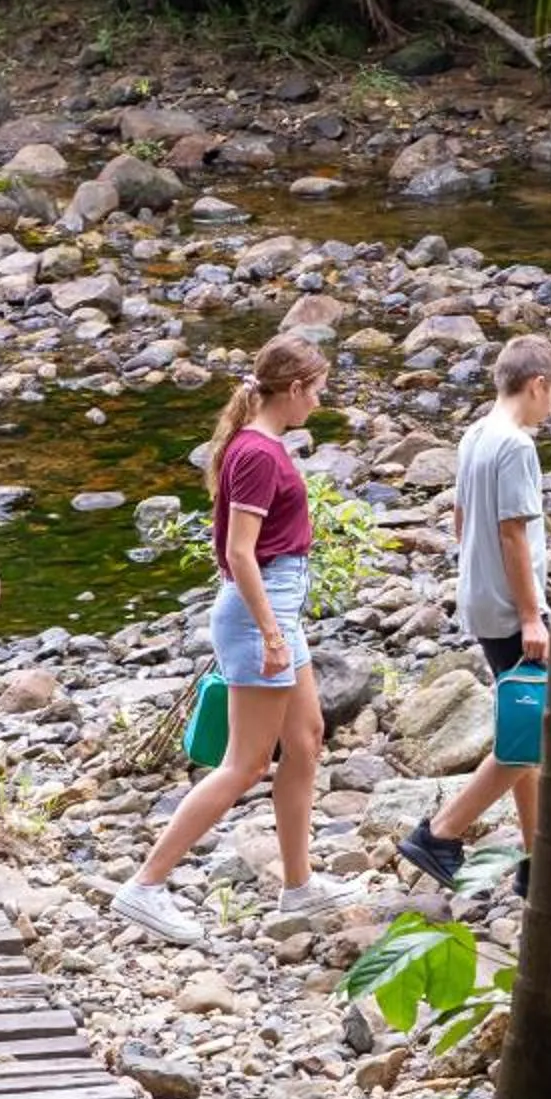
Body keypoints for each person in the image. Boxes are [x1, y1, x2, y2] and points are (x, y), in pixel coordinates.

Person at [113, 332, 358, 944]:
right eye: (318, 390)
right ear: (295, 388)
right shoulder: (257, 454)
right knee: (246, 763)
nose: (319, 402)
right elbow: (238, 553)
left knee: (305, 739)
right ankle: (144, 886)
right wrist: (273, 632)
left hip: (277, 610)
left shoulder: (266, 445)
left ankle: (299, 887)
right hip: (259, 614)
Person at [398, 334, 551, 895]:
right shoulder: (515, 445)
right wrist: (533, 614)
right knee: (530, 733)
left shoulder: (473, 435)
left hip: (482, 598)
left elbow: (462, 521)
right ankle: (440, 833)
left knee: (523, 722)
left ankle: (538, 862)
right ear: (537, 385)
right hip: (513, 607)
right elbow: (512, 533)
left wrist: (476, 578)